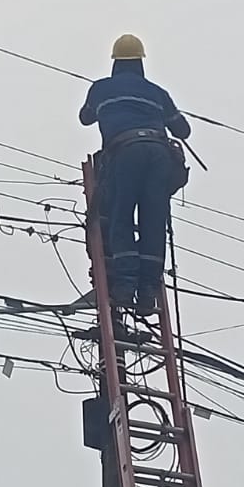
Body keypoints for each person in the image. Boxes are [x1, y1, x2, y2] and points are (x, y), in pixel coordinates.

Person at [79, 34, 191, 313]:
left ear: (115, 62)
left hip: (125, 152)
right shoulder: (158, 93)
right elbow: (183, 130)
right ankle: (148, 291)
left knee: (121, 215)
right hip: (159, 155)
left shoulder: (101, 89)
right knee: (154, 220)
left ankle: (126, 285)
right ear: (141, 62)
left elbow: (85, 117)